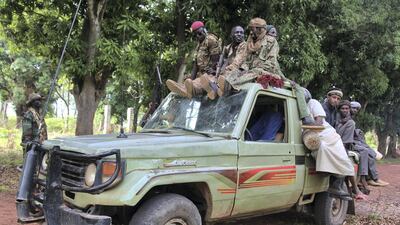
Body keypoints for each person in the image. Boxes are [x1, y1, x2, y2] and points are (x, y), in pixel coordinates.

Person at [217, 18, 314, 125]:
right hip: (251, 71)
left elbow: (271, 63)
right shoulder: (250, 43)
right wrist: (234, 68)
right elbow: (241, 59)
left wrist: (253, 69)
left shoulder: (271, 42)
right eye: (251, 29)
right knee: (234, 72)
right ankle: (221, 86)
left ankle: (230, 85)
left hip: (267, 71)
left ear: (261, 29)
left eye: (254, 29)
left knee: (256, 73)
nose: (251, 32)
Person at [303, 89, 366, 200]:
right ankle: (341, 186)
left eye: (337, 98)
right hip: (320, 136)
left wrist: (304, 125)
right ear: (328, 97)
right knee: (324, 151)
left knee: (344, 160)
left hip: (329, 136)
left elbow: (319, 123)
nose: (335, 100)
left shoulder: (314, 103)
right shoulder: (323, 108)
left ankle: (348, 189)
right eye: (333, 97)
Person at [166, 21, 221, 98]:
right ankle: (184, 88)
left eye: (199, 33)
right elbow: (196, 65)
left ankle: (189, 89)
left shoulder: (210, 39)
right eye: (195, 35)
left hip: (211, 74)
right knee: (189, 80)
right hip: (202, 73)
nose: (198, 36)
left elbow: (216, 60)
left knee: (202, 82)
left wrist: (212, 72)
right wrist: (191, 79)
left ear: (205, 30)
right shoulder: (199, 44)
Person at [200, 25, 246, 99]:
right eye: (237, 32)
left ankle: (216, 89)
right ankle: (214, 90)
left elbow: (236, 64)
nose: (240, 34)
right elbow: (223, 61)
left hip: (239, 71)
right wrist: (217, 70)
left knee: (224, 77)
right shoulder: (228, 47)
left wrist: (221, 72)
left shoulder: (244, 46)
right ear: (232, 35)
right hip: (227, 71)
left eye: (241, 33)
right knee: (209, 77)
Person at [350, 101, 389, 187]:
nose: (355, 110)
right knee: (365, 150)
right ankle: (365, 178)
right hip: (348, 142)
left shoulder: (352, 118)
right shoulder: (345, 117)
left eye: (357, 109)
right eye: (353, 108)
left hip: (354, 140)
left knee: (369, 155)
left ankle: (372, 178)